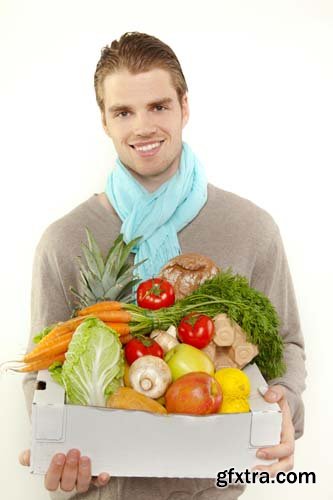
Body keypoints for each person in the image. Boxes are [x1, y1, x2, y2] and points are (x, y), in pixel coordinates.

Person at [19, 31, 306, 499]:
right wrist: (56, 443)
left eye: (158, 106)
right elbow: (41, 371)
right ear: (104, 122)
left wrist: (284, 408)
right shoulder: (64, 240)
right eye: (123, 112)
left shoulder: (252, 228)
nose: (142, 128)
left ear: (185, 107)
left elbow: (287, 343)